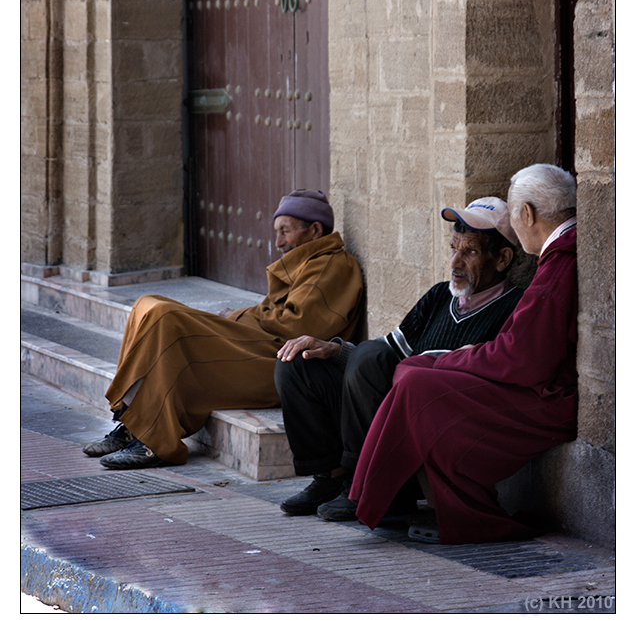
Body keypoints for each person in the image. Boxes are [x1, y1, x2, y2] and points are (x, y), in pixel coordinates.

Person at [350, 163, 578, 545]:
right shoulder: (557, 257)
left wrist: (448, 359)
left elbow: (522, 359)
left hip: (549, 400)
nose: (456, 260)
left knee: (421, 382)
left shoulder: (560, 261)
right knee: (412, 372)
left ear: (527, 215)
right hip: (537, 385)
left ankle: (462, 516)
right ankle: (397, 498)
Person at [275, 197, 523, 520]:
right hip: (392, 407)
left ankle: (364, 485)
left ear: (502, 259)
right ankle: (331, 477)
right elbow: (388, 352)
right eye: (453, 248)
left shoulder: (515, 306)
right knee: (296, 364)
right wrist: (334, 349)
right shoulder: (439, 295)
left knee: (380, 364)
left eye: (470, 252)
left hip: (431, 425)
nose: (454, 263)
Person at [82, 190, 364, 470]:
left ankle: (155, 442)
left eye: (285, 232)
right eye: (277, 232)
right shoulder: (308, 261)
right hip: (261, 348)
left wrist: (238, 316)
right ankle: (133, 423)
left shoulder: (334, 264)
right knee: (147, 305)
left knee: (164, 316)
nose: (278, 242)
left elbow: (298, 326)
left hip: (281, 366)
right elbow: (277, 319)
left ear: (315, 230)